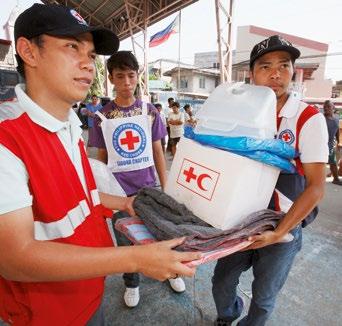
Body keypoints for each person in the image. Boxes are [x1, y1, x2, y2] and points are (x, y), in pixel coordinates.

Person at [0, 4, 200, 325]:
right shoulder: (7, 139)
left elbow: (85, 192)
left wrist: (125, 202)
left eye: (91, 54)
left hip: (90, 293)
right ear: (28, 51)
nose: (87, 64)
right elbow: (14, 258)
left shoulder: (66, 124)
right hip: (47, 314)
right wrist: (135, 260)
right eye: (71, 47)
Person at [212, 35, 328, 326]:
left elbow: (316, 187)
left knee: (264, 298)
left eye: (284, 66)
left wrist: (279, 232)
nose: (276, 74)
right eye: (265, 66)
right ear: (252, 74)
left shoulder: (307, 118)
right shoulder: (239, 110)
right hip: (240, 219)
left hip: (282, 224)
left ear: (293, 71)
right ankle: (227, 316)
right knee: (221, 282)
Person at [92, 51, 187, 308]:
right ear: (111, 78)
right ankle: (131, 282)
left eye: (131, 76)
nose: (126, 82)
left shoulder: (149, 112)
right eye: (119, 76)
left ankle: (172, 271)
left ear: (137, 78)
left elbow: (158, 149)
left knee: (162, 232)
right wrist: (102, 195)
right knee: (125, 239)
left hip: (150, 188)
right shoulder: (101, 117)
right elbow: (101, 158)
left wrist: (165, 187)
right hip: (118, 191)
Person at [323, 100, 342, 185]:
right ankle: (335, 179)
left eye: (328, 107)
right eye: (325, 107)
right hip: (322, 145)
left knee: (333, 162)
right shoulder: (321, 118)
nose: (326, 108)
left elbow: (337, 130)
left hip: (331, 144)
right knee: (323, 163)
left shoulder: (336, 119)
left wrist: (339, 142)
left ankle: (335, 179)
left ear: (333, 108)